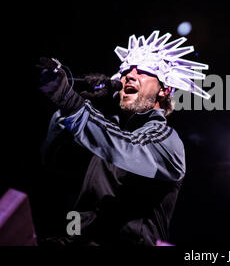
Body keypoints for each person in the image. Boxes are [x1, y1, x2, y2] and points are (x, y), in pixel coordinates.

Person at [36, 31, 210, 246]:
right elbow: (52, 159)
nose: (130, 75)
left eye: (145, 70)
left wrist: (73, 103)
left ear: (165, 89)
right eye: (125, 70)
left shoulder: (167, 141)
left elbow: (127, 148)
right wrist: (77, 100)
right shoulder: (103, 137)